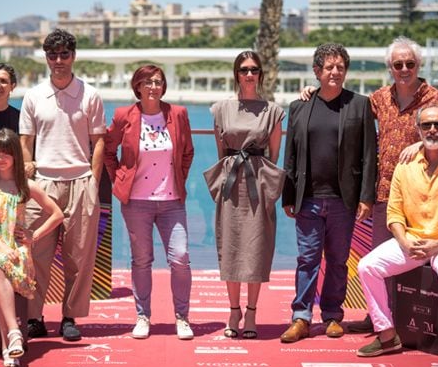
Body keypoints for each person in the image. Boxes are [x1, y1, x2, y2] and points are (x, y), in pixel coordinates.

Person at [297, 36, 438, 333]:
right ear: (390, 67)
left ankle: (417, 319)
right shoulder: (379, 99)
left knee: (421, 255)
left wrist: (423, 147)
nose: (404, 69)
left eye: (409, 64)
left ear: (418, 65)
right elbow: (344, 107)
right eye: (397, 64)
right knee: (379, 260)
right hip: (385, 194)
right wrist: (314, 92)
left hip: (425, 195)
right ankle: (379, 317)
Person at [356, 105, 438, 367]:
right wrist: (403, 241)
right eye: (426, 126)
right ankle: (387, 334)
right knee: (367, 266)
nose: (433, 130)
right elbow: (394, 213)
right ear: (418, 129)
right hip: (412, 240)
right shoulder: (406, 165)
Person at [280, 43, 376, 343]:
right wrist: (288, 195)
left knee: (337, 260)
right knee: (307, 259)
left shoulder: (359, 105)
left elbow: (369, 154)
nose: (335, 72)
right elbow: (291, 155)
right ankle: (301, 317)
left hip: (343, 200)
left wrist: (365, 196)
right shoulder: (299, 106)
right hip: (307, 198)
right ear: (317, 71)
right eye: (329, 67)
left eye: (340, 67)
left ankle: (333, 315)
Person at [19, 28, 106, 341]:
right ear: (46, 58)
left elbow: (99, 142)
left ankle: (69, 317)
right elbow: (25, 142)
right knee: (35, 254)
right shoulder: (33, 96)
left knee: (78, 258)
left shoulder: (91, 95)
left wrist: (93, 182)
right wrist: (27, 182)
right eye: (53, 55)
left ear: (74, 56)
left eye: (64, 54)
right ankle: (33, 317)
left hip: (81, 182)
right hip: (41, 185)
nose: (58, 60)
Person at [104, 65, 195, 340]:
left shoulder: (177, 114)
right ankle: (143, 316)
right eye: (147, 82)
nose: (153, 86)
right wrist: (119, 176)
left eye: (158, 82)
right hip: (136, 202)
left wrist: (178, 177)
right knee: (141, 260)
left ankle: (182, 317)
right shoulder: (124, 116)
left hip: (171, 201)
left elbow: (187, 152)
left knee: (180, 258)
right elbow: (109, 150)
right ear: (138, 87)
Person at [204, 50, 285, 339]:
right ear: (236, 74)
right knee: (231, 246)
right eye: (243, 69)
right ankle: (233, 310)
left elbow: (274, 155)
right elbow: (220, 151)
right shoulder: (220, 109)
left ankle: (252, 311)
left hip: (258, 183)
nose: (249, 74)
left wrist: (268, 186)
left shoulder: (273, 111)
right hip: (231, 183)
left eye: (254, 69)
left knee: (256, 247)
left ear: (260, 74)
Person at [0, 128, 63, 367]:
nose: (0, 158)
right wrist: (1, 245)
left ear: (15, 155)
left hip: (17, 248)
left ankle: (9, 347)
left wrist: (33, 236)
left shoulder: (25, 186)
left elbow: (56, 214)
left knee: (1, 265)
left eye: (5, 153)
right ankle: (13, 335)